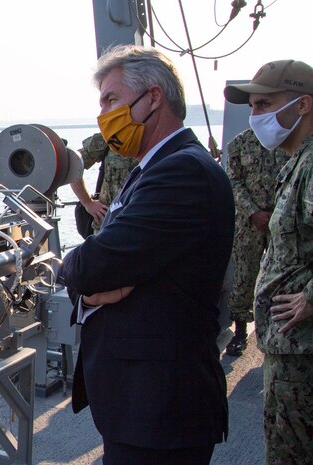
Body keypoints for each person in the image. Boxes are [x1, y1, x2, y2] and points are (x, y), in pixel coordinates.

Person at [59, 45, 234, 465]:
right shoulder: (151, 169)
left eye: (111, 100)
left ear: (152, 98)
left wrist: (78, 272)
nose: (104, 115)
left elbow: (93, 264)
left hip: (161, 407)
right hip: (143, 404)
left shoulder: (181, 171)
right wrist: (96, 285)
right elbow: (107, 262)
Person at [224, 59, 313, 465]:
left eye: (264, 104)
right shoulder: (297, 159)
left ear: (302, 105)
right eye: (253, 106)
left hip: (302, 349)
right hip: (287, 345)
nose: (256, 114)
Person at [224, 129, 288, 356]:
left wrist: (278, 213)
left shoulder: (288, 140)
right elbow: (232, 181)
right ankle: (240, 333)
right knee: (244, 277)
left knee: (282, 276)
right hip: (248, 224)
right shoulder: (239, 143)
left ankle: (278, 330)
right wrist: (253, 212)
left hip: (282, 222)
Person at [70, 132, 138, 235]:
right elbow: (73, 166)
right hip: (109, 227)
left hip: (147, 225)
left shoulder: (164, 137)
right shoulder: (110, 135)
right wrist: (88, 203)